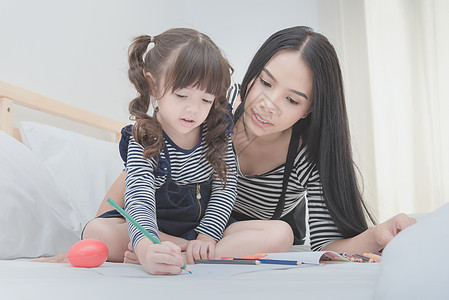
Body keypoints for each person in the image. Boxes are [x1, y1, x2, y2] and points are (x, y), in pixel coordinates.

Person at [81, 28, 293, 275]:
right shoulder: (145, 138)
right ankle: (163, 251)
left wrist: (207, 237)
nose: (193, 110)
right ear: (153, 84)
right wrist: (147, 246)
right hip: (153, 228)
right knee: (96, 232)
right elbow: (139, 199)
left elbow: (225, 191)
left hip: (200, 231)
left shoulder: (217, 133)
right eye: (182, 95)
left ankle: (180, 255)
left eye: (205, 100)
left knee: (281, 233)